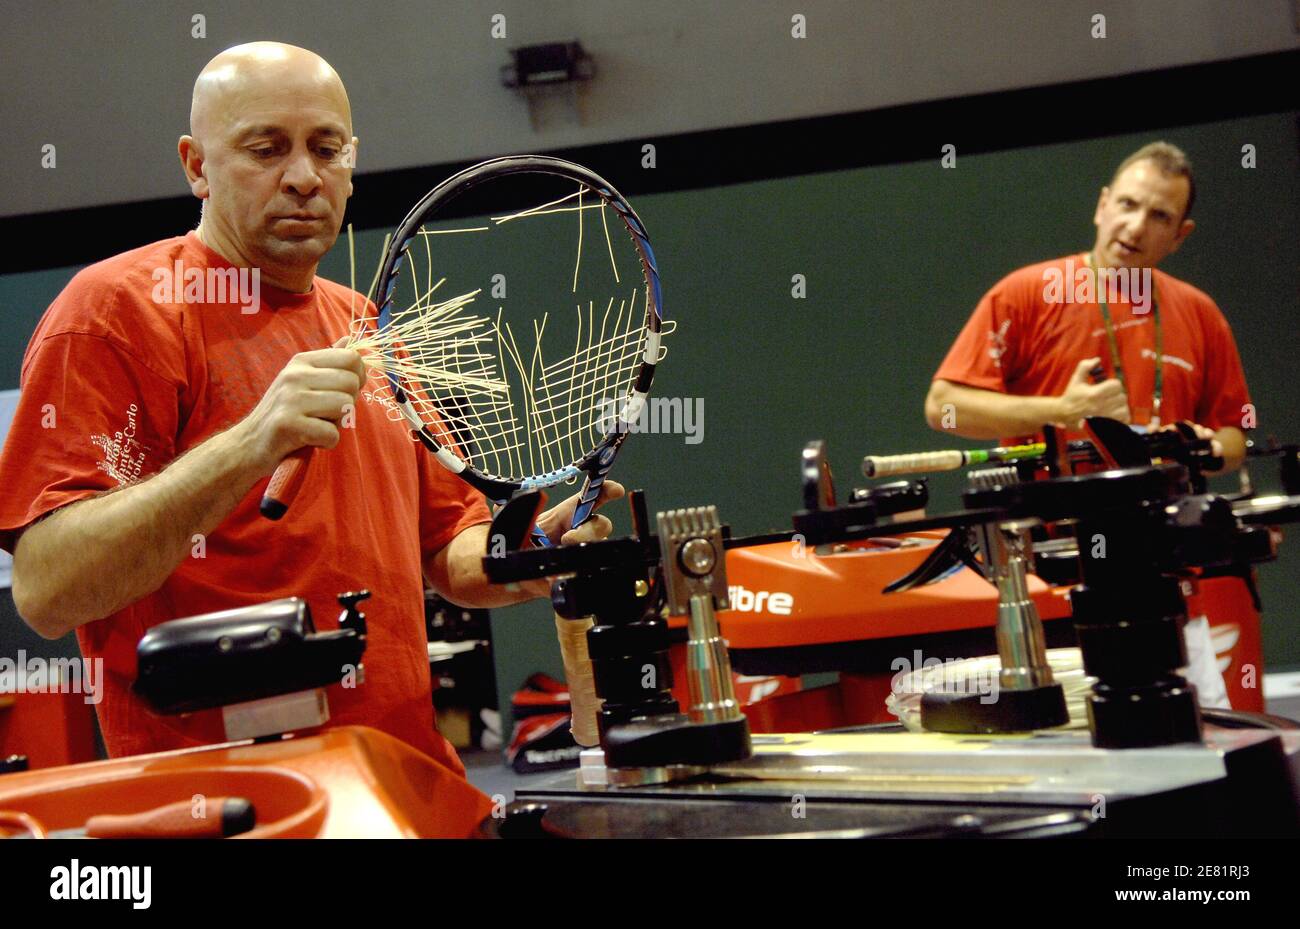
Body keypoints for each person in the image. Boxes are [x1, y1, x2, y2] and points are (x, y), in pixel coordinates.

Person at [0, 42, 618, 777]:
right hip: (229, 805)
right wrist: (250, 443)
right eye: (266, 149)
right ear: (196, 165)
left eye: (328, 149)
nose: (302, 176)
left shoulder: (369, 326)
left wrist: (529, 558)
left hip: (405, 787)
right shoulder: (115, 314)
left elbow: (449, 552)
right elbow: (47, 590)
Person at [925, 142, 1252, 708]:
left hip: (1168, 590)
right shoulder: (1028, 292)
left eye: (1159, 216)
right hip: (1051, 589)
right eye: (1127, 204)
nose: (1135, 226)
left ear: (1181, 235)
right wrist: (1060, 410)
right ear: (1102, 205)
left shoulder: (1200, 313)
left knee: (1201, 759)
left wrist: (1201, 447)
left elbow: (1233, 439)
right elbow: (944, 405)